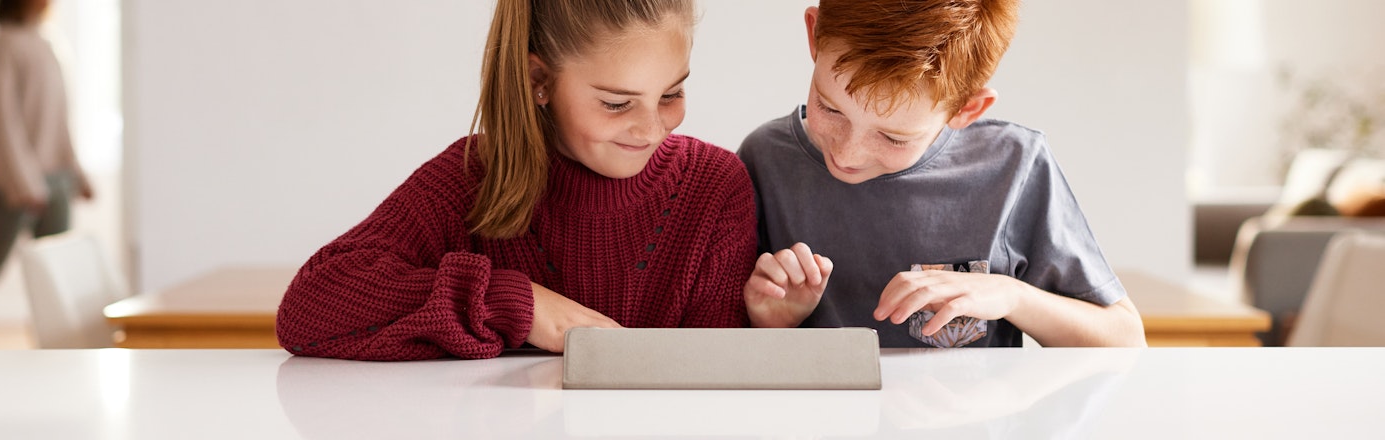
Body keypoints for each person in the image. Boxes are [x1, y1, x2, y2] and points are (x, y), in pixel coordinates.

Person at [277, 0, 756, 361]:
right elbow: (309, 308)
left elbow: (714, 381)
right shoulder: (473, 179)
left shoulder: (714, 187)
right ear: (538, 80)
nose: (652, 129)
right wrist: (516, 304)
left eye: (672, 93)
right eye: (616, 103)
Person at [737, 0, 1146, 347]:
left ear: (967, 109)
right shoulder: (764, 160)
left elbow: (1125, 338)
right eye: (830, 109)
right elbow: (729, 349)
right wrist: (770, 322)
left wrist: (1012, 296)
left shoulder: (1013, 166)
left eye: (893, 137)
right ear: (814, 34)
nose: (848, 154)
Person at [0, 0, 93, 349]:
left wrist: (77, 173)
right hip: (16, 186)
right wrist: (27, 183)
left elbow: (60, 120)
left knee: (54, 276)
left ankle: (54, 351)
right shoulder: (4, 49)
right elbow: (4, 125)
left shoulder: (49, 44)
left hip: (58, 180)